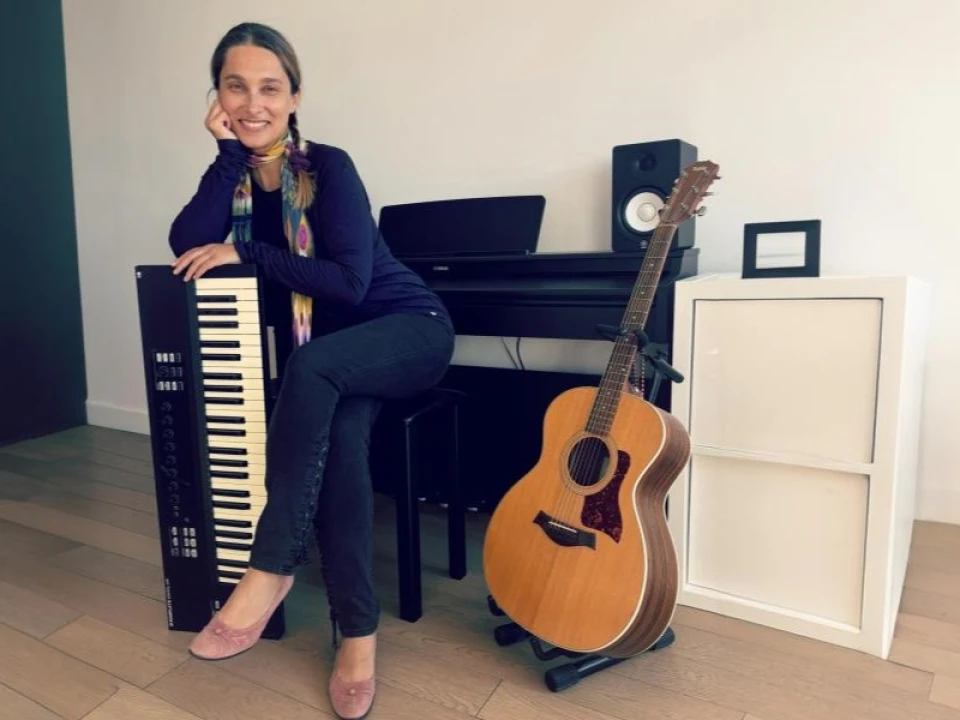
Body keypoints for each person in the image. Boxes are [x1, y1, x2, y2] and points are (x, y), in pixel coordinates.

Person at [167, 21, 455, 720]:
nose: (253, 103)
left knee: (312, 365)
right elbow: (186, 243)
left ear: (295, 97)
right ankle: (358, 633)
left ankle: (269, 568)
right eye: (236, 86)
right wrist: (226, 157)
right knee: (343, 437)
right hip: (334, 363)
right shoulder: (237, 182)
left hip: (409, 330)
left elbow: (350, 285)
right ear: (217, 98)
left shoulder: (330, 168)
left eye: (270, 88)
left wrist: (250, 254)